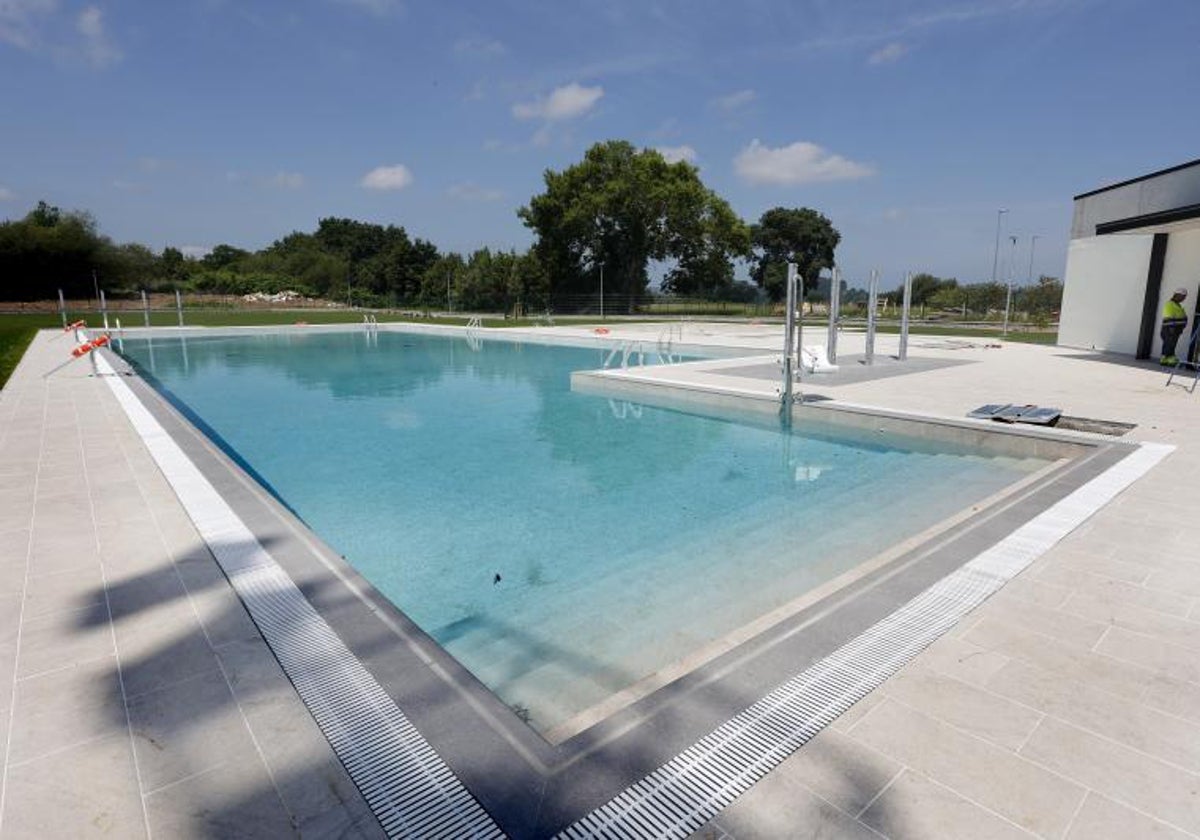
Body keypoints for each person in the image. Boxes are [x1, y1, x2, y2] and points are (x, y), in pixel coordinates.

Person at [1160, 288, 1189, 365]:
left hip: (1176, 330)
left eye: (1184, 297)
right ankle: (1165, 359)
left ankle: (1169, 358)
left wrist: (1184, 320)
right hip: (1170, 329)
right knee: (1169, 344)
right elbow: (1169, 319)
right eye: (1183, 297)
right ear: (1177, 295)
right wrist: (1182, 320)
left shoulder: (1178, 305)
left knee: (1172, 344)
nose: (1184, 299)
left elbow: (1183, 317)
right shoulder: (1169, 304)